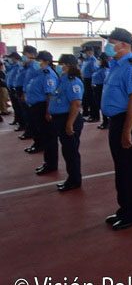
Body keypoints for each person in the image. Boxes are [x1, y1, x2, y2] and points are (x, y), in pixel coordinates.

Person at [100, 28, 132, 231]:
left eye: (111, 42)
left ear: (124, 45)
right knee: (122, 167)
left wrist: (127, 130)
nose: (108, 46)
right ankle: (124, 209)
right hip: (118, 121)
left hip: (130, 120)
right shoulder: (116, 65)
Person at [46, 54, 84, 191]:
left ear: (68, 65)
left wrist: (69, 124)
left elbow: (76, 103)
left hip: (68, 119)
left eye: (61, 64)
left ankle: (74, 180)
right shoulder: (62, 79)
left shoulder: (73, 81)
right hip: (61, 119)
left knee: (71, 152)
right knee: (67, 151)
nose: (59, 66)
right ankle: (72, 178)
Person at [26, 51, 58, 168]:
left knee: (49, 137)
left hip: (43, 107)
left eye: (39, 60)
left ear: (47, 62)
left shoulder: (48, 74)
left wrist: (48, 112)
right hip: (36, 106)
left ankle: (51, 164)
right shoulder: (39, 73)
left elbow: (50, 95)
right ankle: (48, 162)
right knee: (44, 135)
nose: (37, 62)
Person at [18, 45, 40, 139]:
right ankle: (30, 133)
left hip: (33, 95)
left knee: (31, 117)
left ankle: (32, 134)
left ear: (32, 55)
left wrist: (26, 93)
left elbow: (35, 83)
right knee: (27, 115)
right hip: (27, 93)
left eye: (25, 54)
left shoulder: (35, 67)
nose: (23, 56)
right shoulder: (27, 66)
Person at [92, 53, 110, 130]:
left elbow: (105, 80)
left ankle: (106, 122)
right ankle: (105, 121)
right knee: (98, 104)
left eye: (99, 60)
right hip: (96, 88)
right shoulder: (98, 68)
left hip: (101, 88)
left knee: (102, 105)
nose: (98, 61)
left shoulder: (105, 70)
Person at [80, 46, 98, 121]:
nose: (84, 54)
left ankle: (94, 116)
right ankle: (87, 113)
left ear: (90, 52)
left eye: (85, 52)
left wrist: (93, 82)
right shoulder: (85, 60)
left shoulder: (93, 60)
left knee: (92, 99)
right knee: (86, 98)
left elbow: (95, 71)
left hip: (90, 80)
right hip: (85, 80)